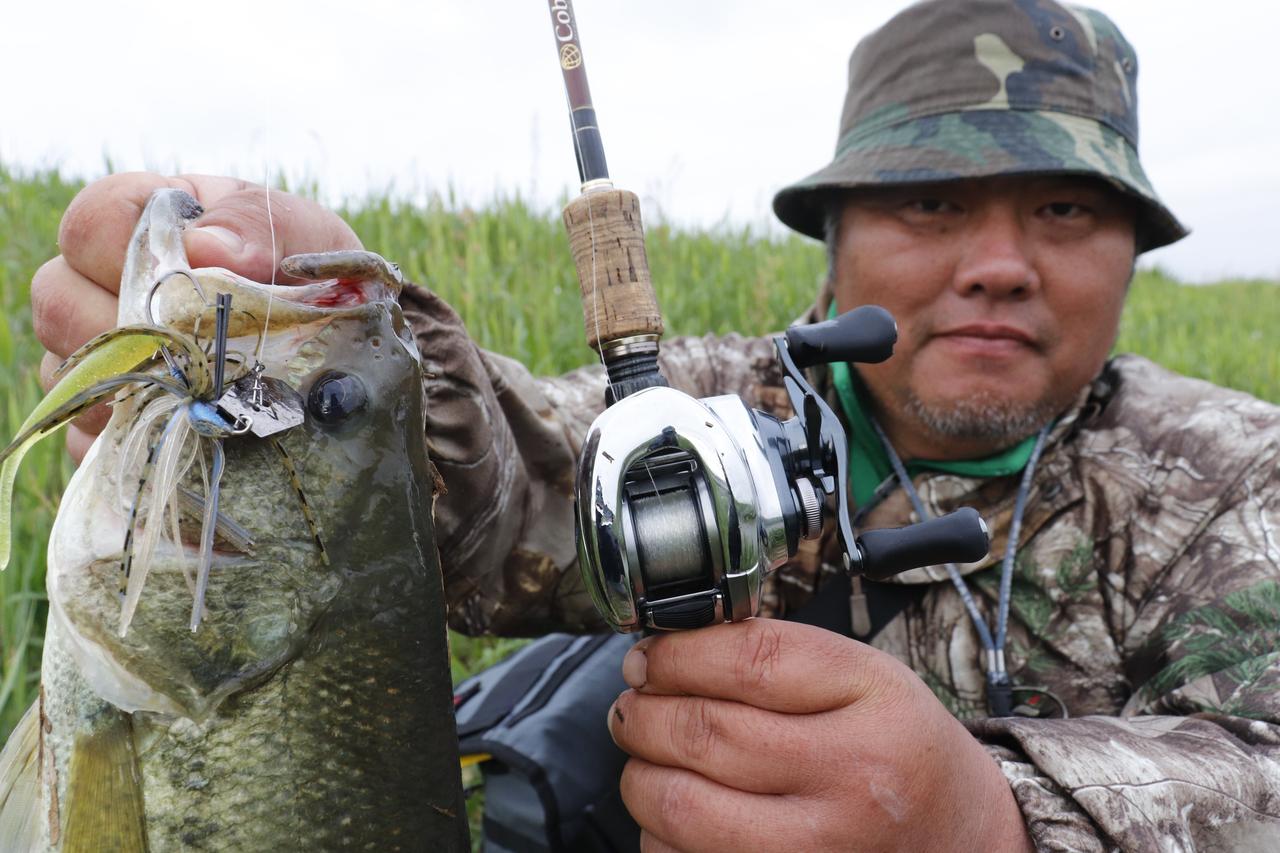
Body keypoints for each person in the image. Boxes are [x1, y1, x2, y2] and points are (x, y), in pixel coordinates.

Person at [29, 0, 1280, 849]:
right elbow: (506, 484)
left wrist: (993, 816)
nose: (998, 264)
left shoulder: (1236, 472)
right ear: (834, 244)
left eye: (1063, 212)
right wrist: (332, 357)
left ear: (1130, 251)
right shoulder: (705, 413)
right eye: (933, 202)